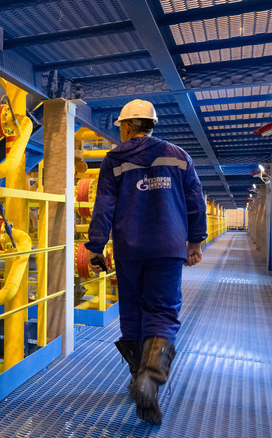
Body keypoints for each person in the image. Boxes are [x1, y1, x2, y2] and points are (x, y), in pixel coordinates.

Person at [85, 99, 207, 425]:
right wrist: (195, 241)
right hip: (168, 247)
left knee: (132, 314)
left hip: (129, 248)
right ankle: (150, 379)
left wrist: (95, 247)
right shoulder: (179, 156)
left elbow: (104, 206)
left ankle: (138, 375)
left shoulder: (114, 159)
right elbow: (196, 200)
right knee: (163, 311)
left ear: (126, 127)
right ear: (151, 125)